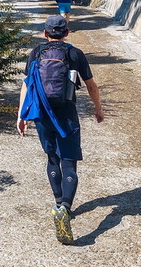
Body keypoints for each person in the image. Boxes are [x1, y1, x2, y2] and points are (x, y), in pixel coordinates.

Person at [17, 15, 104, 244]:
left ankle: (57, 203)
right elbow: (91, 86)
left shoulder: (36, 53)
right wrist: (98, 109)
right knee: (69, 163)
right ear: (66, 33)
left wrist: (21, 116)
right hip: (66, 113)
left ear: (45, 33)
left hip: (42, 114)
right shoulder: (75, 54)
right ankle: (65, 208)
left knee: (52, 159)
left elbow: (27, 84)